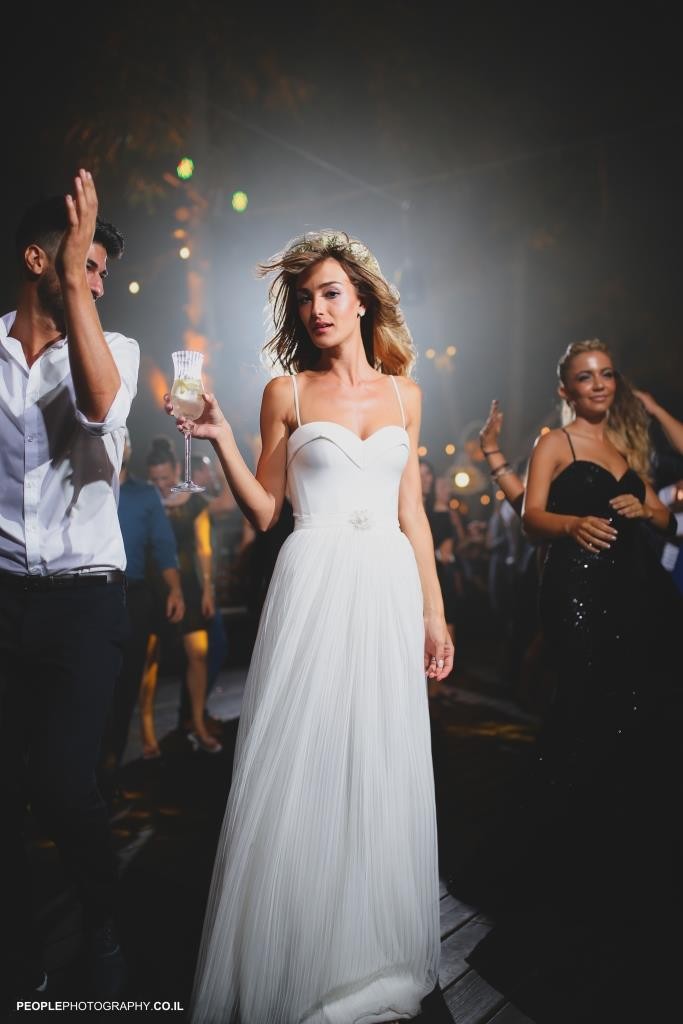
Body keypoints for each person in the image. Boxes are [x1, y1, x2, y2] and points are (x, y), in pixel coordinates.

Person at [168, 230, 453, 1023]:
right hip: (313, 584)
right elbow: (265, 511)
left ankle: (368, 954)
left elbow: (412, 514)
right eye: (304, 298)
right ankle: (301, 955)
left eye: (329, 293)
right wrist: (221, 436)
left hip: (387, 584)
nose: (316, 308)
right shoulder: (284, 393)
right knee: (306, 759)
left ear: (360, 299)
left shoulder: (406, 396)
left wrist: (433, 612)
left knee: (379, 759)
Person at [0, 172, 139, 1000]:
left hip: (85, 602)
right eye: (85, 263)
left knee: (61, 785)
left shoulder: (114, 350)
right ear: (35, 260)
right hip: (3, 598)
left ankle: (103, 918)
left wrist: (80, 276)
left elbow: (97, 409)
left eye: (102, 270)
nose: (98, 282)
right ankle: (22, 962)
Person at [521, 340, 681, 921]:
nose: (598, 385)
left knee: (631, 710)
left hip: (633, 596)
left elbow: (666, 519)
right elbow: (530, 517)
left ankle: (615, 848)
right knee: (582, 706)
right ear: (566, 390)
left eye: (607, 374)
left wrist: (648, 511)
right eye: (585, 377)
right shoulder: (555, 444)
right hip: (577, 593)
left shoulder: (622, 447)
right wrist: (570, 525)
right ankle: (560, 852)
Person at [98, 429, 184, 794]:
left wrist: (175, 588)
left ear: (129, 448)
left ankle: (108, 771)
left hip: (132, 598)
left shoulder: (144, 494)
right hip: (90, 597)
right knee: (90, 688)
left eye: (123, 439)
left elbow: (163, 546)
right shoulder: (88, 488)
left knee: (126, 687)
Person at [142, 437, 221, 755]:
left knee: (199, 654)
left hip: (189, 584)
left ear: (177, 470)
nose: (161, 485)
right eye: (155, 479)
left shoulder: (194, 501)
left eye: (165, 477)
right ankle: (147, 731)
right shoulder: (147, 502)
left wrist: (208, 589)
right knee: (149, 661)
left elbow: (204, 548)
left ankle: (197, 723)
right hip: (154, 585)